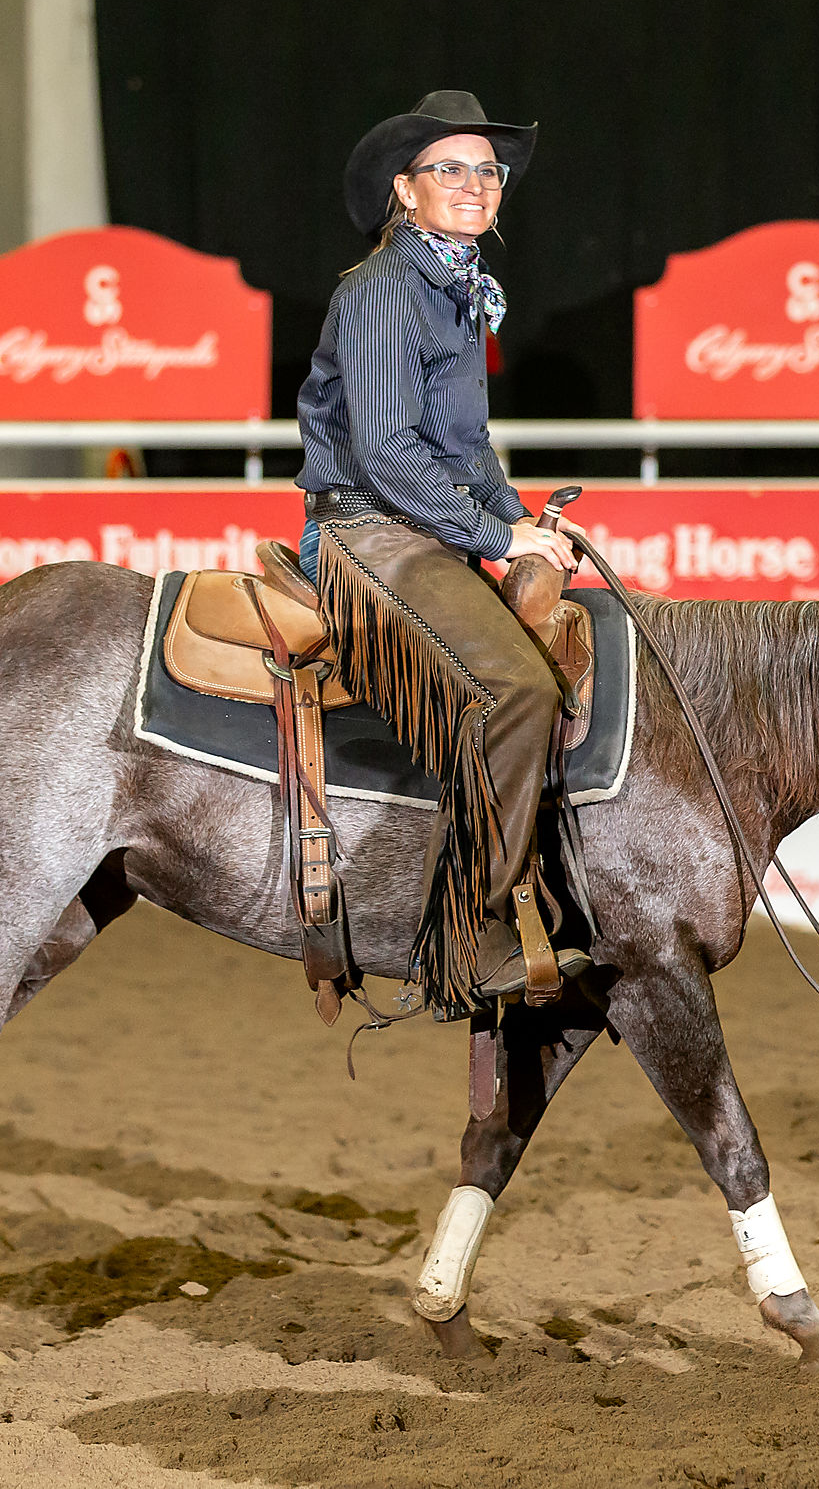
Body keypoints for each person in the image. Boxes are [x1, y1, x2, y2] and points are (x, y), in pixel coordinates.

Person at [295, 89, 586, 1014]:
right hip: (367, 531)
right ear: (404, 191)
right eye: (449, 168)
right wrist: (497, 538)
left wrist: (524, 517)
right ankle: (467, 932)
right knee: (518, 687)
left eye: (487, 171)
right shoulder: (383, 289)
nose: (474, 183)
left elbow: (463, 450)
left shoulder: (455, 290)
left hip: (414, 522)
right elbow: (384, 450)